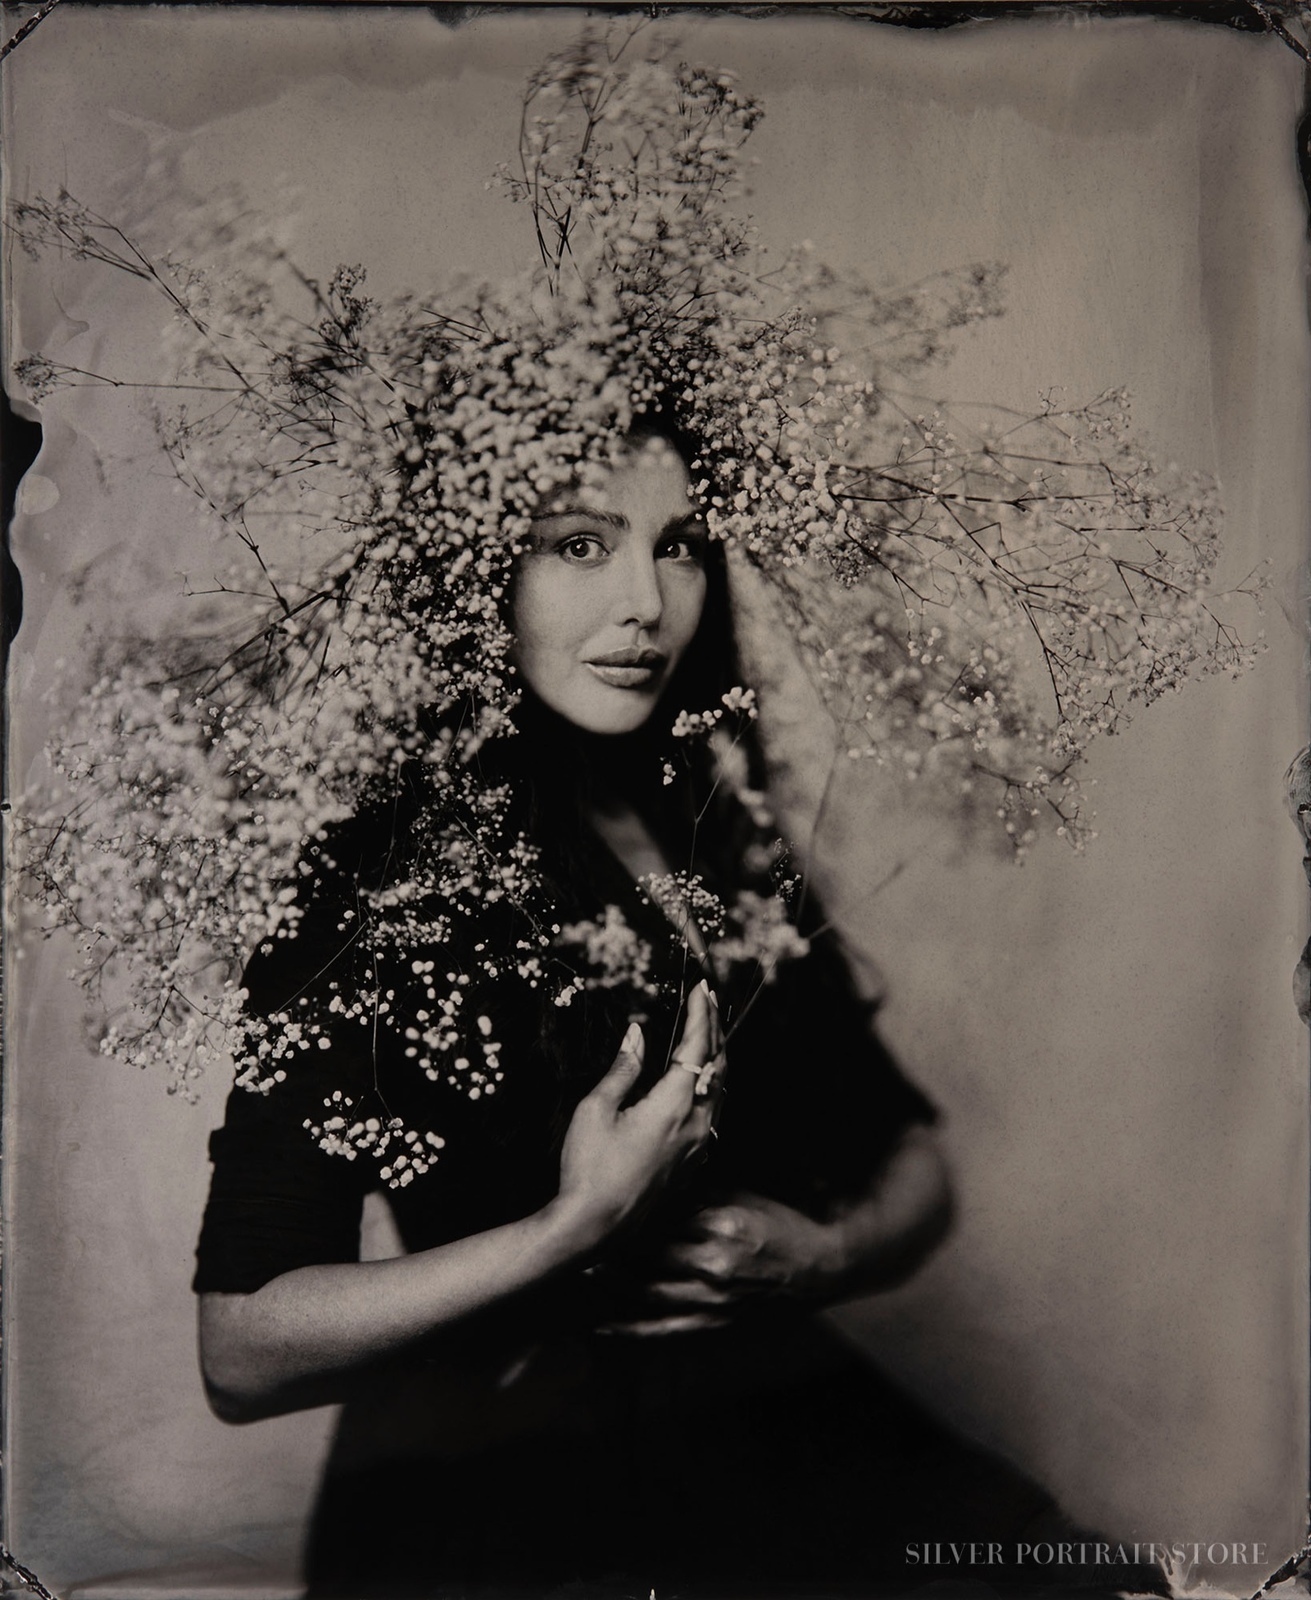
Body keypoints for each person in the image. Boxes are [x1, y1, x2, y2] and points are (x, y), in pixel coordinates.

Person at [192, 428, 1155, 1600]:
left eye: (679, 545)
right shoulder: (377, 885)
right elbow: (240, 1351)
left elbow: (914, 1161)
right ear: (476, 570)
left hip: (775, 1427)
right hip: (510, 1486)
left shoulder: (721, 831)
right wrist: (569, 1228)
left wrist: (826, 1253)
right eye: (580, 545)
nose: (646, 602)